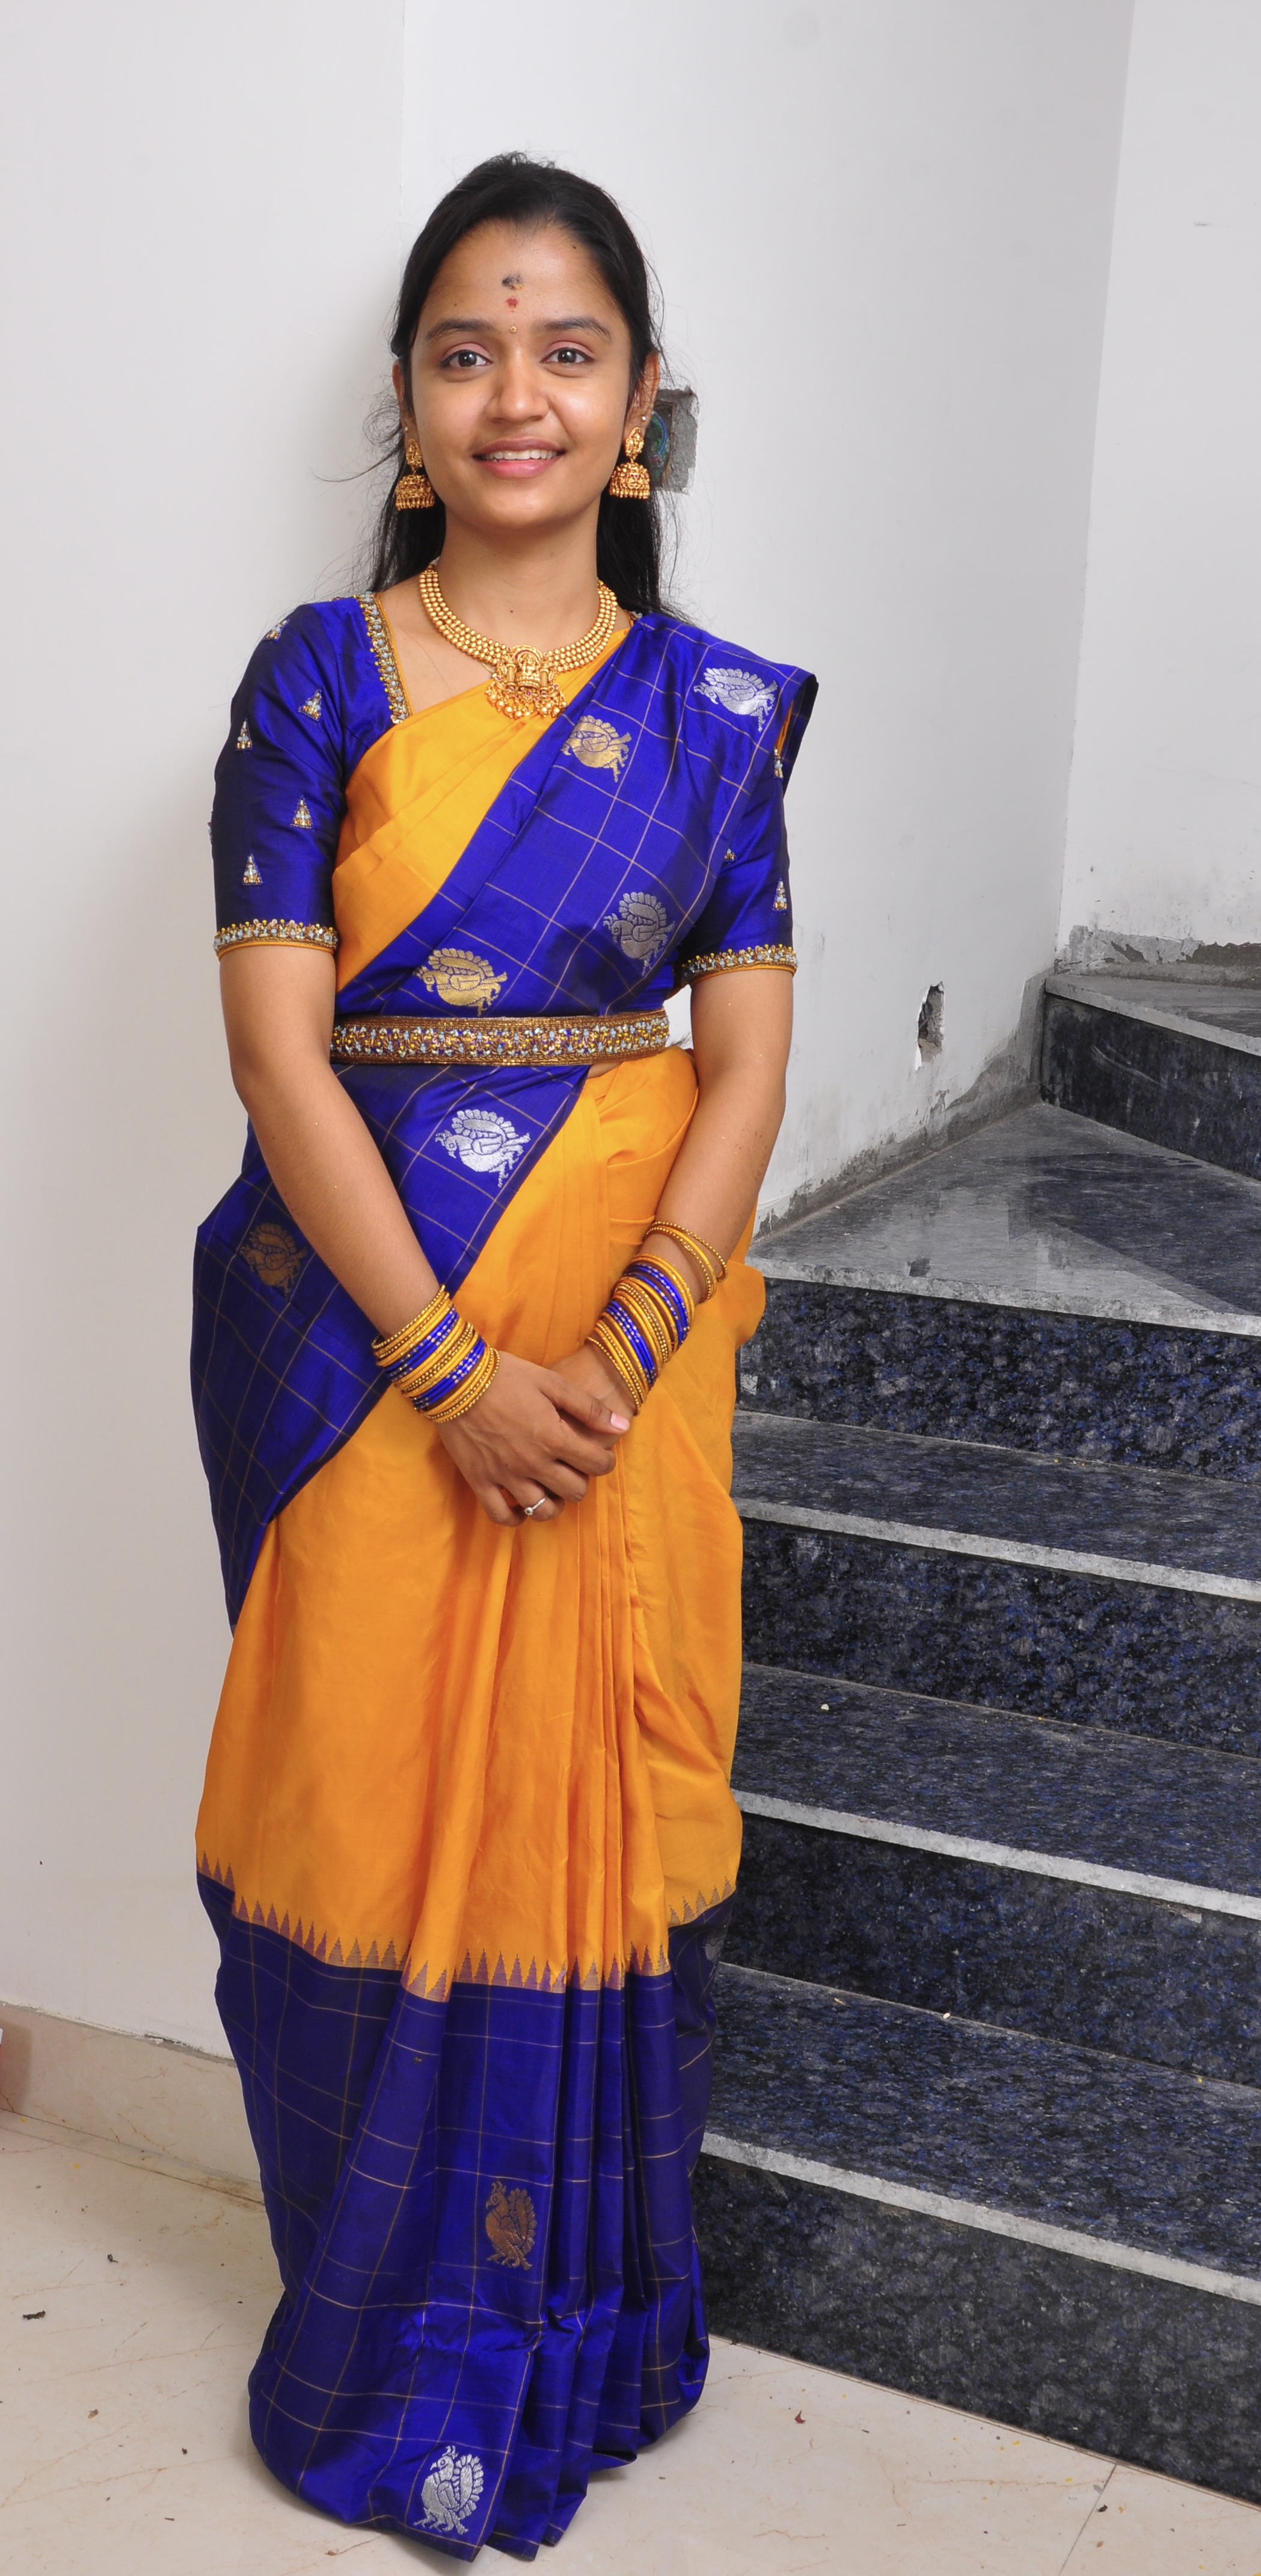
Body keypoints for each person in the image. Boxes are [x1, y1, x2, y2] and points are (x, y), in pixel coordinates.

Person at [192, 151, 815, 2561]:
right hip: (364, 1346)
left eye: (569, 350)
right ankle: (374, 2334)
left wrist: (627, 1341)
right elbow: (278, 1057)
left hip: (626, 1352)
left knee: (600, 1796)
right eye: (469, 350)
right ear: (408, 401)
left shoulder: (715, 717)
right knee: (352, 1786)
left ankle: (592, 2326)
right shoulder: (317, 678)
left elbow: (741, 1070)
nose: (518, 393)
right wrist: (448, 1366)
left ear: (641, 406)